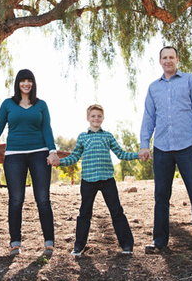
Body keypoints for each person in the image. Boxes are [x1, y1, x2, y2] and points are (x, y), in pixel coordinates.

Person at [138, 46, 192, 254]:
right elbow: (148, 117)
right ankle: (159, 241)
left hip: (188, 146)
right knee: (161, 196)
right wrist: (144, 144)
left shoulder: (190, 80)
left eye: (171, 57)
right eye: (164, 58)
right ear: (160, 61)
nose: (168, 61)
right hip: (162, 148)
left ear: (177, 59)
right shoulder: (153, 88)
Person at [0, 69, 59, 257]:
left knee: (43, 199)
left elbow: (46, 128)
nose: (26, 84)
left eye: (29, 80)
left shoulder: (41, 105)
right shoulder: (8, 104)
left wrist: (52, 151)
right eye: (23, 80)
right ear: (17, 83)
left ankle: (49, 242)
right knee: (16, 199)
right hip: (14, 155)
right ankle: (15, 242)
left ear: (33, 83)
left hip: (39, 154)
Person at [54, 104, 138, 256]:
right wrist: (59, 161)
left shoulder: (108, 136)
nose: (96, 118)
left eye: (99, 116)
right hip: (88, 180)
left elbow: (121, 154)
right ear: (88, 118)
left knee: (116, 211)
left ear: (103, 119)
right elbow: (74, 157)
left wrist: (138, 155)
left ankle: (127, 245)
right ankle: (78, 247)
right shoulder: (83, 137)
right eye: (93, 116)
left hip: (107, 180)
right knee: (84, 213)